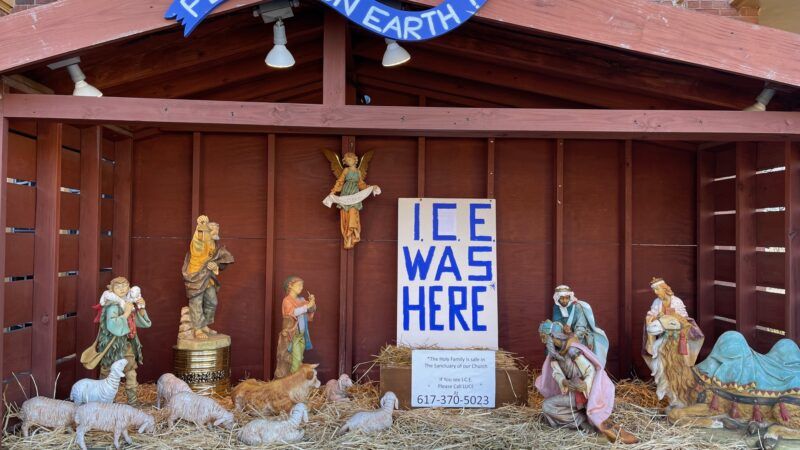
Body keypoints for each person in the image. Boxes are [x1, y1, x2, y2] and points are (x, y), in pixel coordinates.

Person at [535, 320, 638, 444]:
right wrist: (564, 382)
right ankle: (583, 421)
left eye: (544, 337)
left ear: (553, 336)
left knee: (548, 406)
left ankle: (585, 422)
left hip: (582, 393)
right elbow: (557, 373)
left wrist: (584, 385)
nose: (543, 341)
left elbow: (589, 370)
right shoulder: (554, 354)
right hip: (570, 391)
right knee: (549, 407)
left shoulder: (573, 351)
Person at [83, 277, 152, 404]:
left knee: (131, 373)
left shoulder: (128, 303)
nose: (122, 289)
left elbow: (142, 323)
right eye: (118, 286)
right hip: (112, 348)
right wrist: (126, 313)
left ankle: (133, 402)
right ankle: (106, 402)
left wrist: (141, 308)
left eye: (125, 286)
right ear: (112, 289)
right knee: (107, 374)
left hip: (126, 346)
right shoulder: (112, 306)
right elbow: (113, 325)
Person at [181, 215, 234, 339]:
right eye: (214, 230)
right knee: (196, 302)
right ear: (207, 231)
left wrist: (215, 264)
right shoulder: (198, 243)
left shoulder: (214, 245)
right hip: (196, 276)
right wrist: (202, 224)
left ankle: (204, 324)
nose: (216, 233)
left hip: (207, 277)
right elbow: (197, 239)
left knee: (212, 301)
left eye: (217, 230)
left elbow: (219, 260)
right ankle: (197, 328)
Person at [643, 277, 704, 374]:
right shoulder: (657, 302)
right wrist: (656, 317)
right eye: (654, 290)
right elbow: (650, 316)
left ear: (664, 288)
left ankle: (678, 380)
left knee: (678, 360)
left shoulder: (676, 301)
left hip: (677, 336)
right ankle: (662, 375)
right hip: (663, 335)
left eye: (657, 289)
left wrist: (669, 316)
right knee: (660, 354)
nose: (655, 292)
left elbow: (684, 319)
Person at [551, 285, 609, 368]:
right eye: (562, 298)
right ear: (557, 298)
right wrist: (561, 329)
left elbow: (581, 327)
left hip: (580, 337)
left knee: (575, 352)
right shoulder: (556, 308)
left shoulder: (577, 307)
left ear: (570, 297)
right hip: (563, 336)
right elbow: (556, 323)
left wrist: (573, 335)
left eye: (566, 298)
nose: (564, 300)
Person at [275, 276, 317, 378]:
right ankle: (292, 381)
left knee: (299, 358)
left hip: (302, 335)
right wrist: (307, 306)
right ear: (290, 286)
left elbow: (311, 310)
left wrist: (312, 302)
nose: (301, 287)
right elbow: (293, 312)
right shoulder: (287, 301)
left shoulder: (301, 300)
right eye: (299, 285)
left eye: (302, 285)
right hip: (292, 336)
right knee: (296, 360)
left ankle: (294, 381)